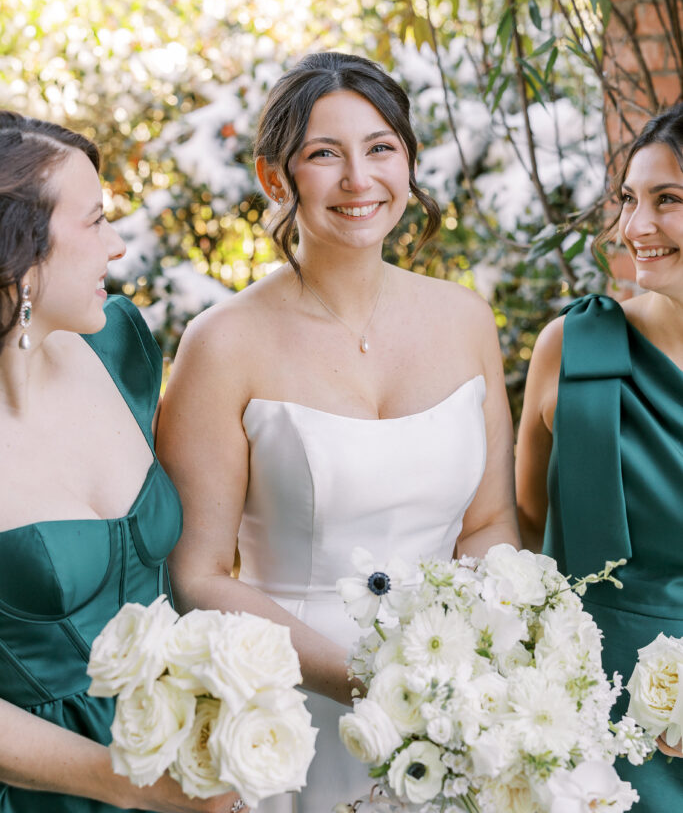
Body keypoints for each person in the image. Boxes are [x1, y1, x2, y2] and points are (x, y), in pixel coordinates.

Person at [156, 52, 521, 813]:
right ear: (274, 178)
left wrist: (479, 662)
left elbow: (489, 522)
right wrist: (367, 679)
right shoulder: (223, 344)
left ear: (409, 163)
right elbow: (196, 573)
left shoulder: (464, 320)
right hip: (287, 710)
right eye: (325, 155)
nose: (358, 180)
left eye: (380, 148)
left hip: (451, 709)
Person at [0, 112, 246, 813]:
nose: (116, 246)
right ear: (18, 248)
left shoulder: (121, 349)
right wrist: (138, 787)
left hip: (188, 770)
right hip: (46, 793)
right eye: (95, 220)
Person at [516, 103, 683, 810]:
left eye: (666, 201)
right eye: (627, 201)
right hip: (585, 717)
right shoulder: (571, 345)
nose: (632, 228)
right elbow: (524, 521)